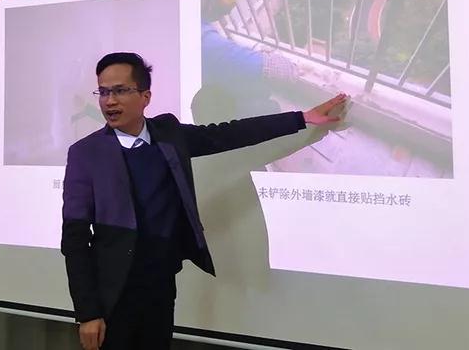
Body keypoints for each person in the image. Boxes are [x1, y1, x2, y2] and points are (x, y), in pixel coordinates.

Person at [61, 52, 348, 350]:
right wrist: (88, 312)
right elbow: (75, 238)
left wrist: (302, 118)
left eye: (120, 90)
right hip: (112, 294)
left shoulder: (168, 135)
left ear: (145, 97)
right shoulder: (85, 153)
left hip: (161, 287)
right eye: (103, 92)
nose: (109, 101)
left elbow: (232, 133)